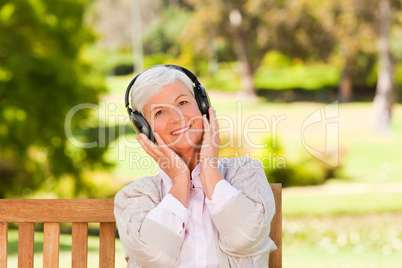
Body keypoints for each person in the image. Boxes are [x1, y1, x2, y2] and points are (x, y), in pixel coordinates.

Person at [114, 65, 276, 267]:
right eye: (160, 112)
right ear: (145, 128)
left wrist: (208, 169)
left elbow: (246, 238)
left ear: (202, 105)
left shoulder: (246, 173)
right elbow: (153, 259)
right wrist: (180, 180)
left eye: (182, 102)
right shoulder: (134, 198)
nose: (177, 117)